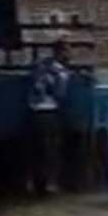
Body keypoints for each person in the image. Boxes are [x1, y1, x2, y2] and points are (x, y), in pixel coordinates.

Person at [27, 41, 71, 195]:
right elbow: (60, 94)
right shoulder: (61, 71)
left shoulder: (40, 65)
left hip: (34, 111)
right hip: (50, 111)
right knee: (51, 150)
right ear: (61, 52)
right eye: (67, 51)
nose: (69, 55)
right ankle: (50, 183)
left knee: (36, 149)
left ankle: (35, 183)